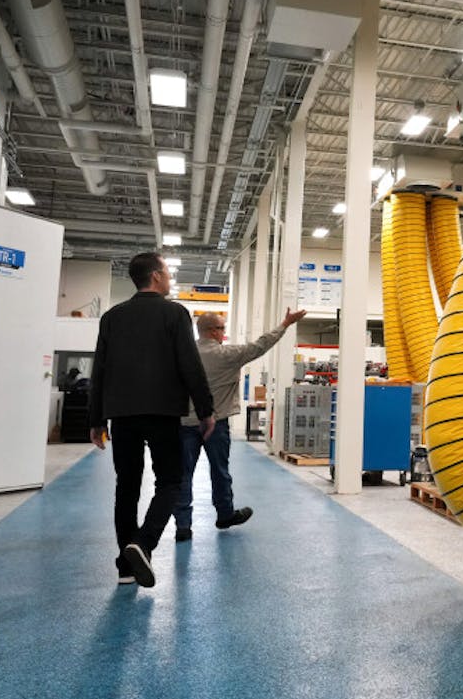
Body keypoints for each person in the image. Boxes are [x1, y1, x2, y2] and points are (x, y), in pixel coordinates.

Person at [90, 252, 214, 589]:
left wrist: (97, 418)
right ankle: (142, 545)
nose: (169, 277)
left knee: (126, 487)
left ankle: (125, 569)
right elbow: (190, 365)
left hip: (122, 413)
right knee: (170, 481)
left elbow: (99, 369)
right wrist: (205, 410)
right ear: (157, 276)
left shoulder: (112, 316)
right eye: (167, 272)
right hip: (163, 412)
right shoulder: (175, 313)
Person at [173, 307, 308, 541]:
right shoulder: (227, 355)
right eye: (222, 328)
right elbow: (260, 345)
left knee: (183, 475)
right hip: (216, 423)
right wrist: (285, 323)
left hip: (183, 423)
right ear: (213, 331)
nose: (224, 333)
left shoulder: (182, 354)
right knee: (220, 471)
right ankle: (225, 515)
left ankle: (183, 526)